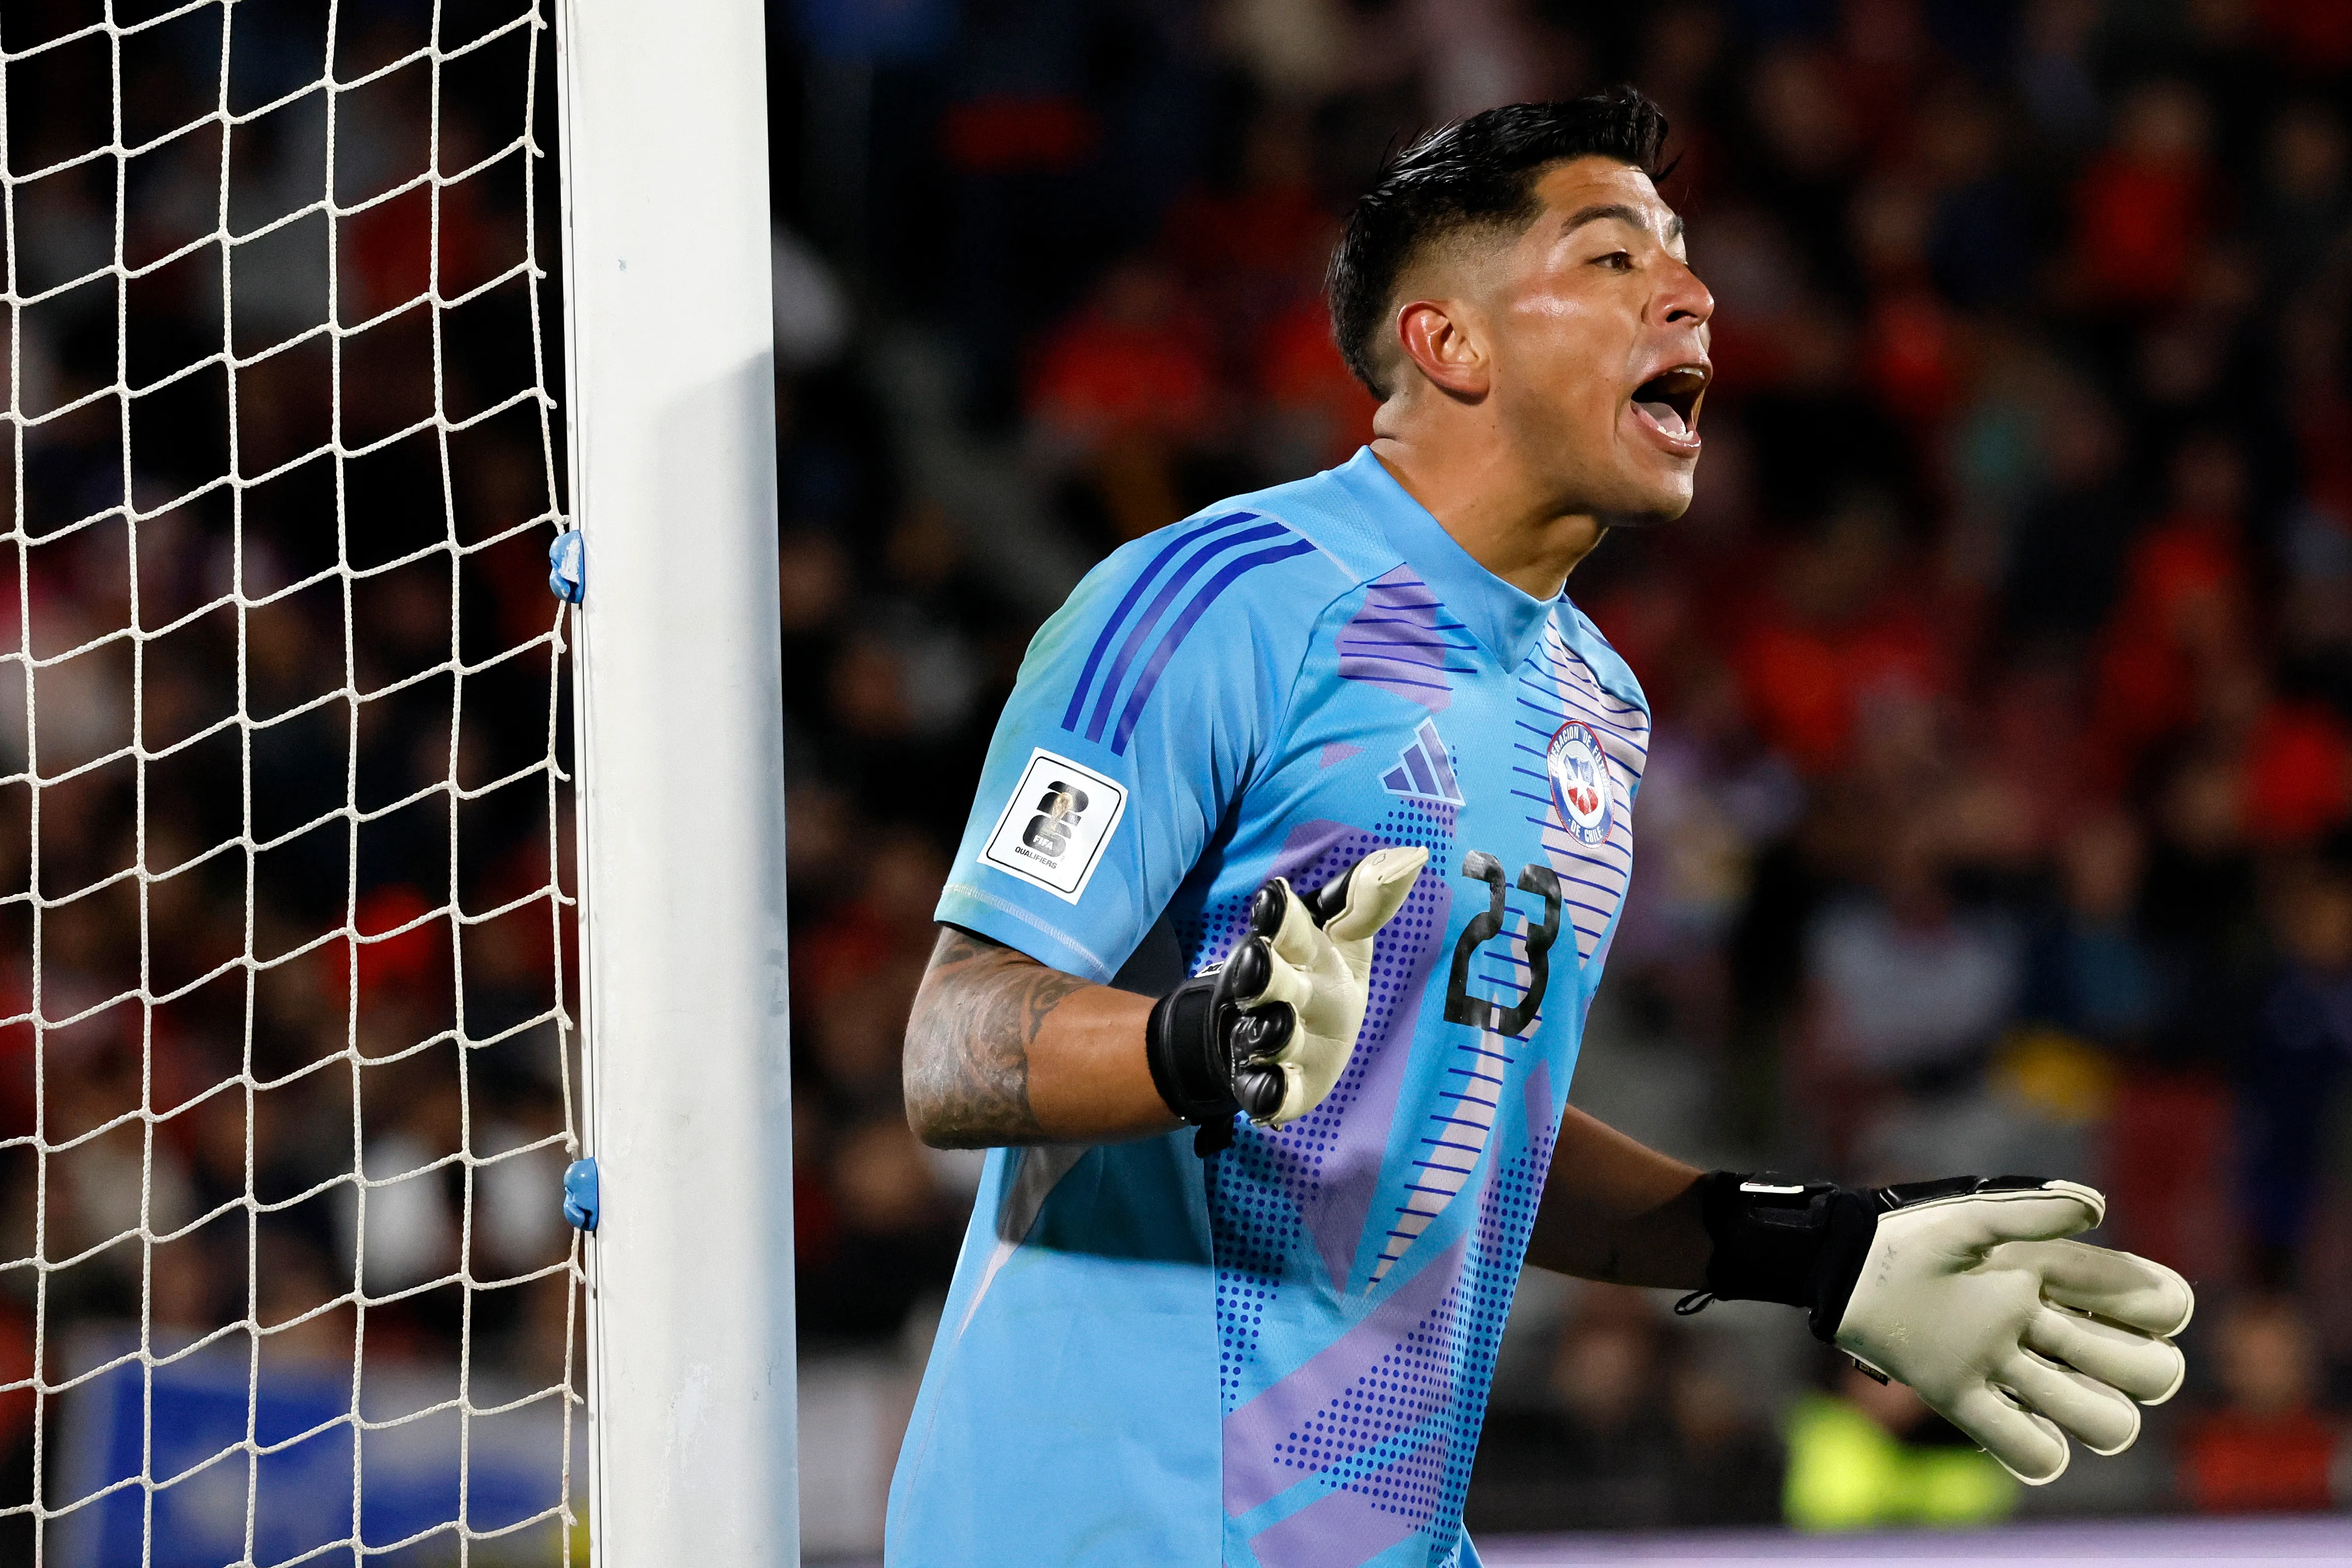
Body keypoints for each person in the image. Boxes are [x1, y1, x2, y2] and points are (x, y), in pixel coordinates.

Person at [888, 89, 2192, 1567]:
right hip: (1121, 1528)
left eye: (1684, 255)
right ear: (1451, 343)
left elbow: (1468, 1125)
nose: (1694, 293)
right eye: (1614, 259)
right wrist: (1202, 1044)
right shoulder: (1215, 601)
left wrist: (1816, 1248)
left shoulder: (1599, 704)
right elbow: (953, 1044)